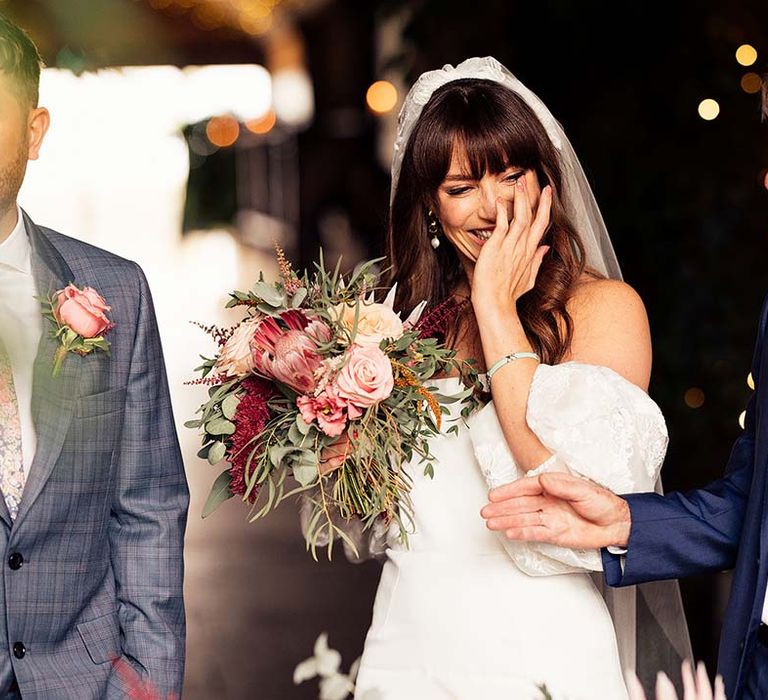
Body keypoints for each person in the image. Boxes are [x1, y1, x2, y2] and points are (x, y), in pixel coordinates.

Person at [350, 57, 690, 700]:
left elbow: (575, 493)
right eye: (460, 187)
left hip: (539, 652)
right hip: (408, 646)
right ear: (429, 205)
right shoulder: (396, 323)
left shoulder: (605, 308)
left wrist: (498, 307)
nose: (492, 208)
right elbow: (373, 522)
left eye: (511, 175)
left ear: (546, 183)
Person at [479, 83, 767, 700]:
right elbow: (750, 505)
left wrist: (494, 306)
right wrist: (627, 520)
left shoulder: (604, 309)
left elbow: (549, 456)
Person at [0, 15, 188, 699]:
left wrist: (149, 681)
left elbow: (149, 504)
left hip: (85, 682)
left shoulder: (117, 290)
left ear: (33, 130)